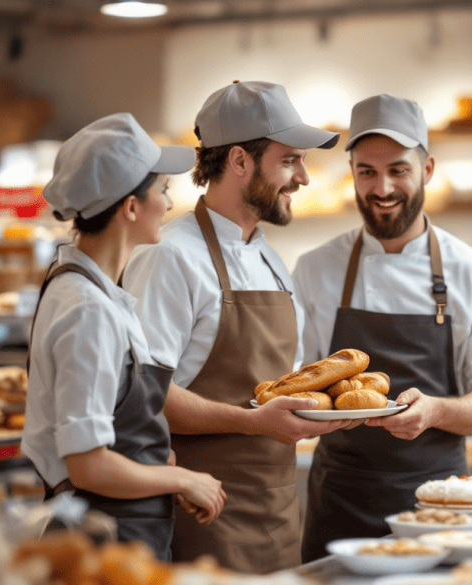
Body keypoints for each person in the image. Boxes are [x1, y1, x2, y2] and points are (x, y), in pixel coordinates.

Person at [122, 81, 348, 572]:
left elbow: (277, 387)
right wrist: (252, 422)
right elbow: (145, 396)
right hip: (202, 517)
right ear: (240, 161)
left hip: (279, 514)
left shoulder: (270, 260)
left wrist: (322, 407)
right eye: (290, 160)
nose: (304, 178)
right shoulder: (169, 257)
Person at [293, 94, 472, 561]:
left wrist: (435, 412)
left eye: (398, 169)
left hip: (440, 504)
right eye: (367, 171)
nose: (382, 187)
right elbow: (300, 382)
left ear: (427, 170)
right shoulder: (316, 269)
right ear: (353, 175)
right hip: (341, 502)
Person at [22, 113, 227, 561]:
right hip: (101, 538)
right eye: (163, 191)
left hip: (127, 528)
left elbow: (115, 426)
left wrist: (162, 468)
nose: (170, 205)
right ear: (130, 207)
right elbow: (89, 465)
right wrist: (181, 479)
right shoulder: (87, 310)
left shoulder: (97, 291)